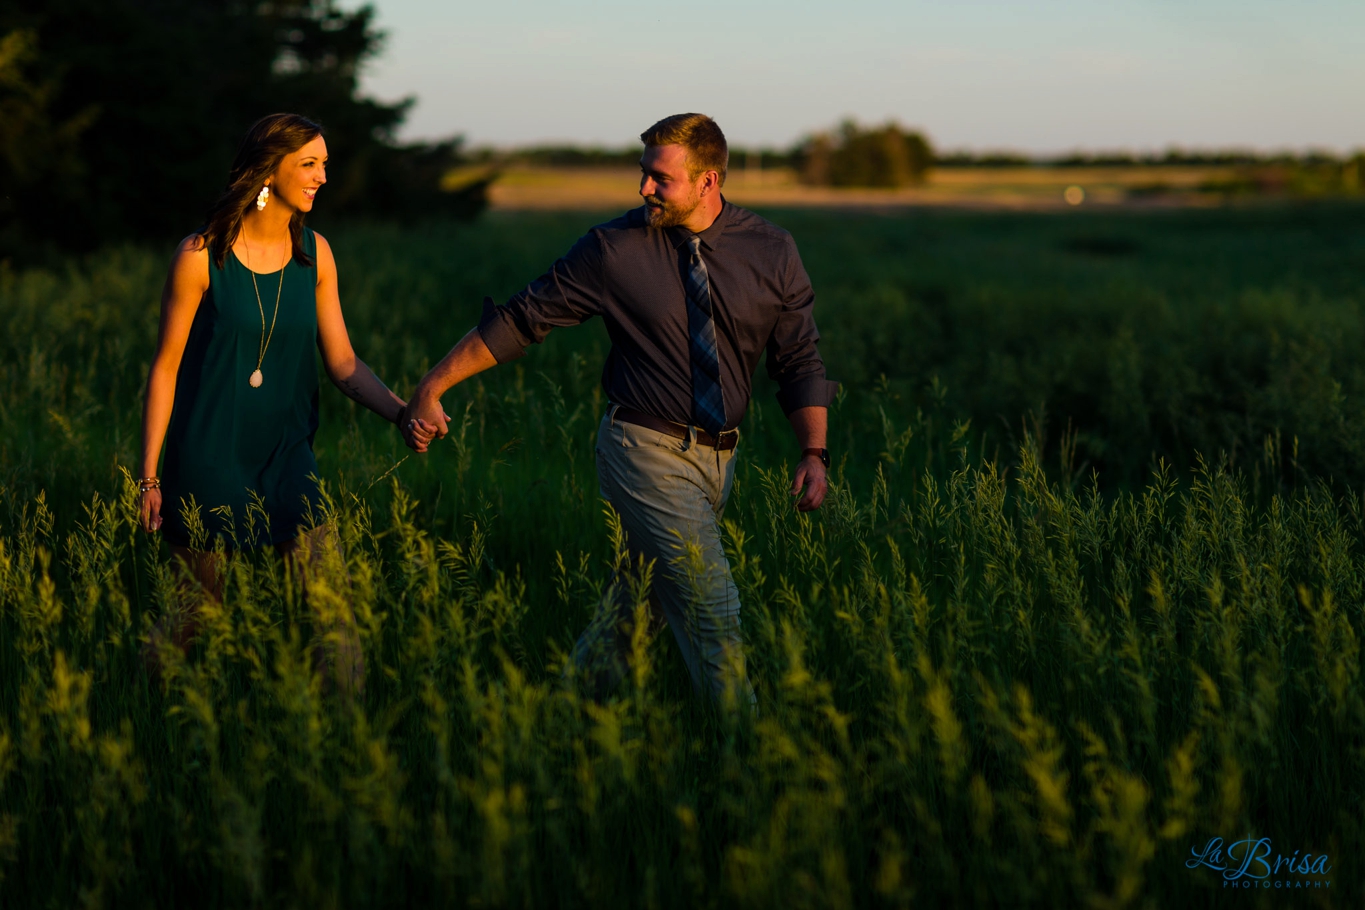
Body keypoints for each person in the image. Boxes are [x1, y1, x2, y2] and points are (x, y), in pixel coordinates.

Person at [404, 113, 837, 708]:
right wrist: (434, 385)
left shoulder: (771, 249)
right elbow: (522, 319)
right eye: (643, 175)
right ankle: (748, 754)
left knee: (640, 603)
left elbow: (800, 359)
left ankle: (565, 716)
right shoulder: (613, 249)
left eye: (661, 179)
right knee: (712, 604)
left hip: (720, 460)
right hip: (643, 449)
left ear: (709, 181)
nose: (644, 190)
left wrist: (814, 451)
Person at [137, 113, 433, 684]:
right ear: (268, 170)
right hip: (208, 458)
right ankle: (138, 714)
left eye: (325, 163)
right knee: (197, 611)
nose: (323, 175)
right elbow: (165, 369)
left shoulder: (316, 254)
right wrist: (150, 476)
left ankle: (342, 744)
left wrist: (402, 413)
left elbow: (344, 364)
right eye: (309, 164)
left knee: (330, 609)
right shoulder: (201, 256)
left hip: (289, 456)